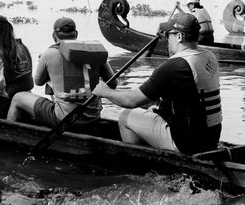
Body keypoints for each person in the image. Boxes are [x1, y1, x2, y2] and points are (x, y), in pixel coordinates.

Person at [93, 13, 221, 154]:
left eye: (168, 35)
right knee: (151, 107)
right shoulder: (210, 57)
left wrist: (105, 91)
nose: (166, 39)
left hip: (187, 143)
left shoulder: (175, 65)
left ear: (179, 37)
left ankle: (141, 165)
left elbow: (131, 101)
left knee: (125, 117)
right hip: (211, 137)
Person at [6, 17, 116, 127]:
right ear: (76, 34)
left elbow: (38, 82)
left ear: (54, 35)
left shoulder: (49, 54)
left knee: (17, 97)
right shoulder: (94, 52)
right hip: (93, 116)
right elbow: (113, 83)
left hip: (65, 117)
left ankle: (9, 133)